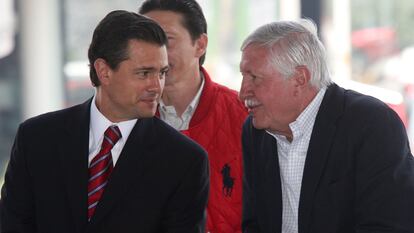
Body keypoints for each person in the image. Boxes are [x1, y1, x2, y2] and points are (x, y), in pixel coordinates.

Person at [0, 10, 209, 233]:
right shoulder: (36, 138)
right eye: (144, 73)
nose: (156, 86)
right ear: (103, 71)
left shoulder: (185, 161)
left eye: (161, 73)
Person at [239, 19, 414, 233]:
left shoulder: (372, 125)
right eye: (243, 77)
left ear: (299, 79)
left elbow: (390, 225)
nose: (242, 92)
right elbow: (253, 224)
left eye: (254, 78)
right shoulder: (255, 131)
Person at [139, 1, 248, 233]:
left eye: (166, 39)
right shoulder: (127, 119)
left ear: (200, 45)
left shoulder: (245, 115)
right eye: (145, 40)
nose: (154, 53)